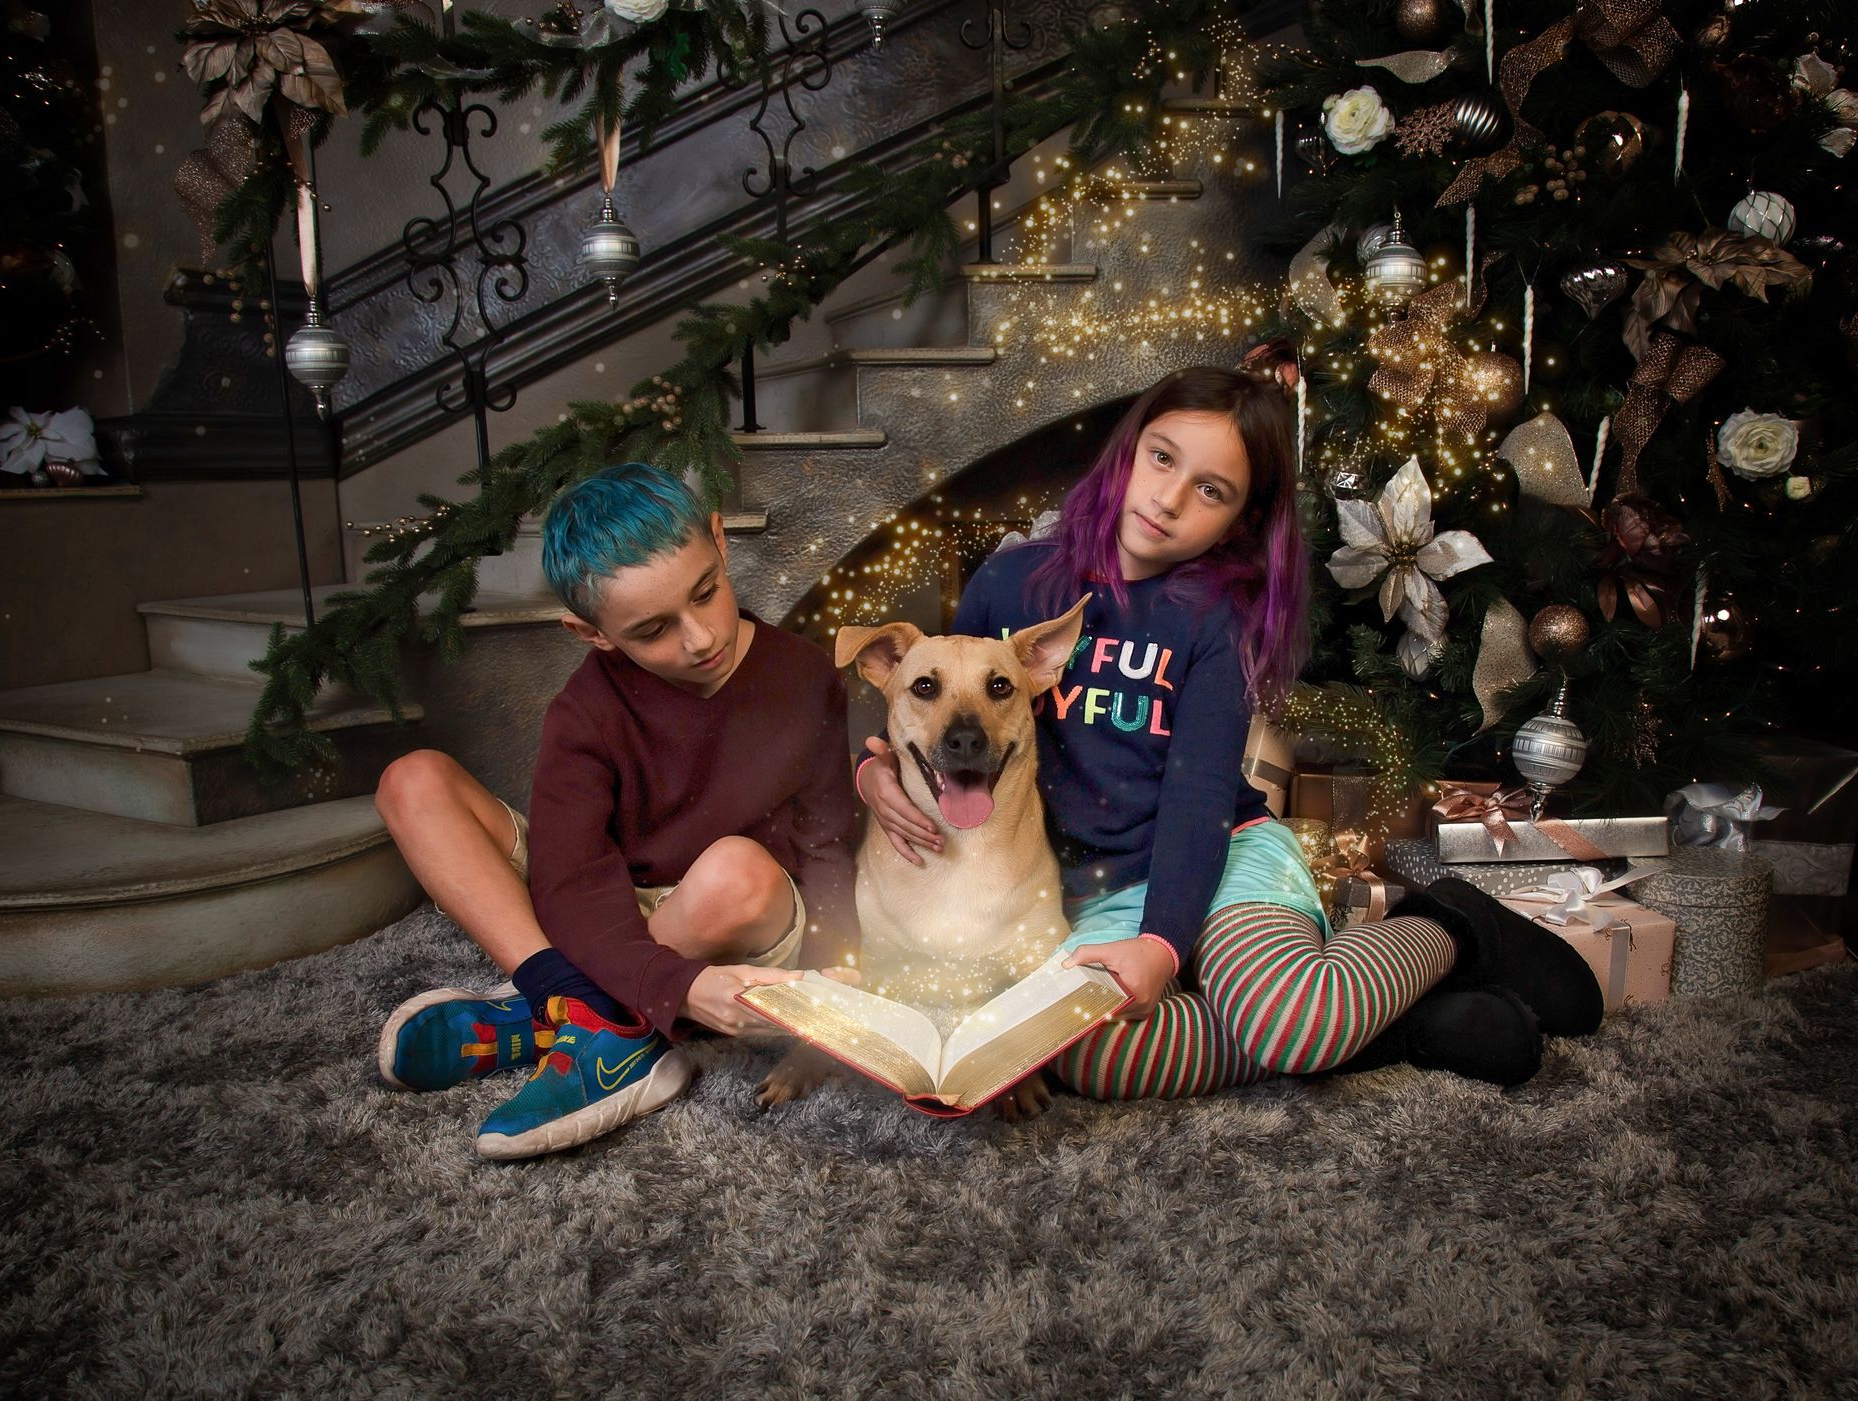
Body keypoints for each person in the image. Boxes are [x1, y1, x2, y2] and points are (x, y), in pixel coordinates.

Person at [857, 350, 1602, 1099]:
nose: (1170, 498)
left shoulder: (1213, 618)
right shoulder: (1012, 581)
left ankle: (1453, 924)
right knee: (1081, 1058)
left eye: (1209, 490)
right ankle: (1383, 1027)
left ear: (1240, 519)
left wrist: (1158, 942)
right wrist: (875, 772)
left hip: (1220, 856)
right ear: (1128, 449)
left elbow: (1200, 794)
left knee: (1284, 1014)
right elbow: (938, 696)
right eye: (1161, 458)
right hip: (1084, 891)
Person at [373, 462, 860, 1159]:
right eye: (654, 628)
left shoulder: (806, 674)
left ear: (720, 542)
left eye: (707, 593)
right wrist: (681, 988)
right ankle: (585, 1012)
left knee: (735, 874)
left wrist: (833, 974)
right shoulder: (584, 711)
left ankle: (564, 1011)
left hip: (731, 908)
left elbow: (827, 845)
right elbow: (570, 881)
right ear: (591, 632)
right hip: (607, 901)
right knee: (410, 780)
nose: (699, 639)